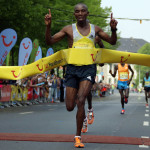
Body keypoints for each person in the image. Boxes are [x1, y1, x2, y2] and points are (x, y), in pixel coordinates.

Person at [45, 3, 117, 148]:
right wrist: (48, 26)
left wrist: (113, 29)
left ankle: (78, 136)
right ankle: (83, 114)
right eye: (77, 11)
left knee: (81, 100)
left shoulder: (95, 29)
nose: (80, 13)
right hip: (72, 69)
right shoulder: (68, 30)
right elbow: (50, 41)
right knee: (70, 106)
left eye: (83, 11)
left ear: (87, 13)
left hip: (88, 69)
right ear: (74, 14)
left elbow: (112, 41)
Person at [81, 35, 105, 133]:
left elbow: (102, 49)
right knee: (78, 99)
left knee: (84, 94)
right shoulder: (75, 37)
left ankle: (90, 108)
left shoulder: (95, 38)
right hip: (78, 68)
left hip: (90, 69)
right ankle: (83, 119)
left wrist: (100, 58)